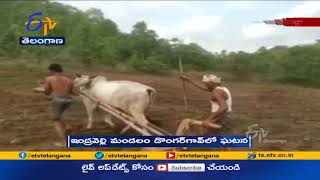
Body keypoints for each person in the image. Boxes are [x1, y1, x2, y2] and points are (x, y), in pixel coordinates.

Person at [44, 64, 75, 147]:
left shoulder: (49, 79)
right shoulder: (69, 80)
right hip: (68, 100)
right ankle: (68, 125)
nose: (49, 72)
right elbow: (72, 92)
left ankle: (64, 142)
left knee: (56, 121)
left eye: (50, 71)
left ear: (53, 71)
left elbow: (47, 92)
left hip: (57, 100)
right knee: (61, 116)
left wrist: (46, 91)